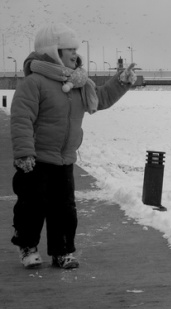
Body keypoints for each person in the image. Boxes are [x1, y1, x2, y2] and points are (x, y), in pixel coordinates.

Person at [9, 23, 137, 269]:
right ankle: (27, 246)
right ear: (52, 51)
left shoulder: (79, 82)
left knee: (64, 211)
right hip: (36, 160)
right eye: (68, 49)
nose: (74, 54)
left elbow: (99, 98)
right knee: (31, 207)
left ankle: (62, 252)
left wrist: (120, 82)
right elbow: (21, 118)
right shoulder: (34, 83)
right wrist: (25, 153)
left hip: (65, 159)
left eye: (75, 49)